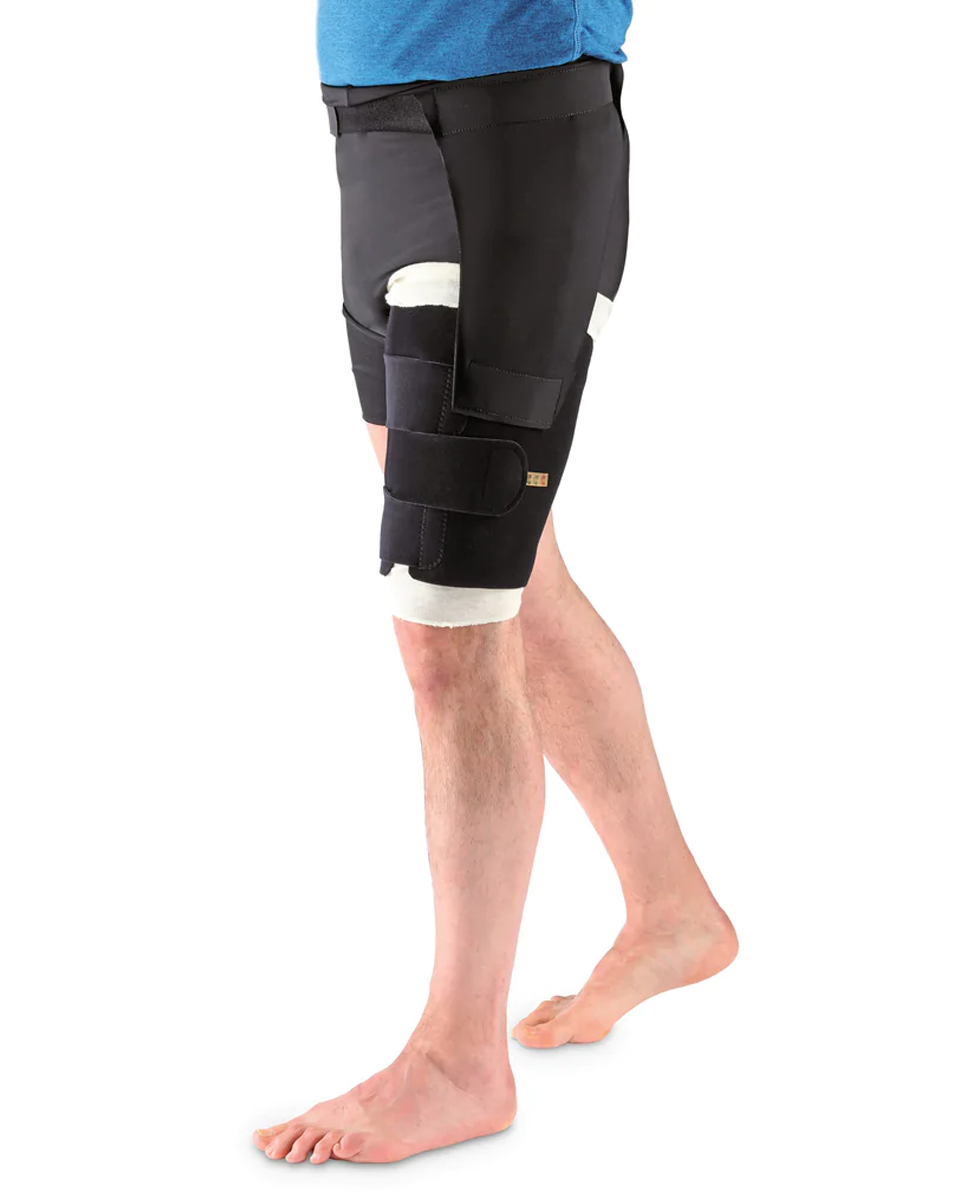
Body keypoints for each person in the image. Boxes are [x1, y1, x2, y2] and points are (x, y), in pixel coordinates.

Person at [253, 0, 737, 1166]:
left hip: (501, 132)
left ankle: (458, 1061)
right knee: (508, 579)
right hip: (376, 122)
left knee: (447, 616)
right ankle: (671, 907)